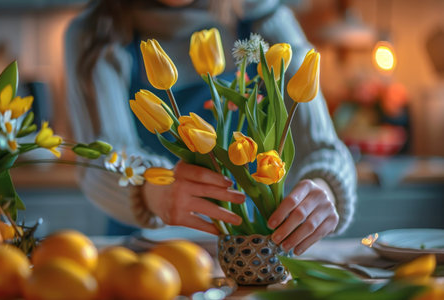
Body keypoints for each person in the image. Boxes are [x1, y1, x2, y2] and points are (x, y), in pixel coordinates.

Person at [65, 0, 357, 255]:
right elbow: (99, 159)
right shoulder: (95, 33)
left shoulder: (264, 18)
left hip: (256, 250)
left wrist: (325, 190)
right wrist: (154, 192)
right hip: (146, 256)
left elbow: (322, 149)